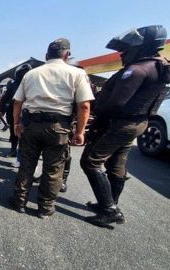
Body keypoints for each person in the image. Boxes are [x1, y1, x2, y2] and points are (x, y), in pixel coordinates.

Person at [80, 25, 169, 227]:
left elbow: (115, 103)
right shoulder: (160, 66)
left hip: (120, 123)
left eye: (127, 50)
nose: (123, 54)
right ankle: (111, 202)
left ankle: (110, 210)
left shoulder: (137, 70)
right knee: (116, 164)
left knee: (90, 162)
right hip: (138, 122)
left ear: (143, 47)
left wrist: (96, 126)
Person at [9, 38, 94, 218]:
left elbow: (17, 102)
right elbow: (84, 106)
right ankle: (45, 209)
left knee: (27, 164)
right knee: (53, 169)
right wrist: (79, 132)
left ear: (46, 55)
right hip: (59, 127)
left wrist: (17, 123)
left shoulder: (31, 74)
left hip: (31, 125)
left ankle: (19, 202)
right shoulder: (76, 73)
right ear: (67, 54)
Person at [0, 63, 32, 157]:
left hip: (29, 113)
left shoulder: (33, 83)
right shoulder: (13, 85)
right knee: (14, 132)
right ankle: (14, 150)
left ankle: (25, 155)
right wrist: (2, 110)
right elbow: (5, 98)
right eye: (23, 73)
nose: (24, 74)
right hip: (14, 112)